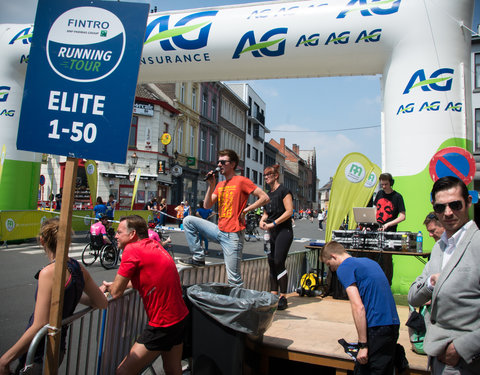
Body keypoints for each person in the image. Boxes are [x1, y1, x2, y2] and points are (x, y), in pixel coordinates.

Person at [0, 218, 108, 375]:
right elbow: (102, 302)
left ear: (42, 240)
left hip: (39, 351)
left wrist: (6, 359)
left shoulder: (48, 273)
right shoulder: (77, 267)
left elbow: (39, 324)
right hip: (58, 349)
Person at [408, 176, 480, 374]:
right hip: (436, 360)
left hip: (466, 363)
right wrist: (431, 284)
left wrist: (461, 348)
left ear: (468, 202)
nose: (448, 213)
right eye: (440, 208)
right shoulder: (440, 247)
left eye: (455, 205)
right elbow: (413, 296)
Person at [102, 215, 188, 375]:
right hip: (179, 317)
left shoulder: (132, 249)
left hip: (163, 323)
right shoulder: (153, 244)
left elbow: (116, 292)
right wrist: (113, 286)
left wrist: (109, 288)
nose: (115, 235)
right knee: (172, 369)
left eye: (119, 232)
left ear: (132, 234)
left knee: (123, 372)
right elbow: (146, 279)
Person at [179, 149, 269, 286]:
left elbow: (265, 197)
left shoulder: (241, 181)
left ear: (232, 164)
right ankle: (198, 257)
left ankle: (238, 305)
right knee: (188, 221)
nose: (219, 165)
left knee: (234, 279)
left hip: (233, 235)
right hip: (219, 231)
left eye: (223, 162)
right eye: (218, 162)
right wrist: (211, 185)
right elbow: (207, 205)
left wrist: (246, 210)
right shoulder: (220, 185)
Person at [322, 241, 400, 375]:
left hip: (377, 326)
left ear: (333, 256)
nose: (331, 270)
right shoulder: (370, 262)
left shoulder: (345, 267)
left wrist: (363, 345)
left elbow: (358, 307)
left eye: (329, 265)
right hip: (392, 324)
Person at [259, 164, 293, 311]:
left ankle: (283, 296)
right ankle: (273, 295)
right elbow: (266, 213)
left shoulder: (284, 191)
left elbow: (289, 211)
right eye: (265, 175)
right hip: (270, 232)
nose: (266, 177)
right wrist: (262, 220)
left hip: (283, 230)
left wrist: (273, 223)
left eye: (268, 175)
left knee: (279, 260)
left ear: (276, 176)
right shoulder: (268, 194)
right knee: (271, 262)